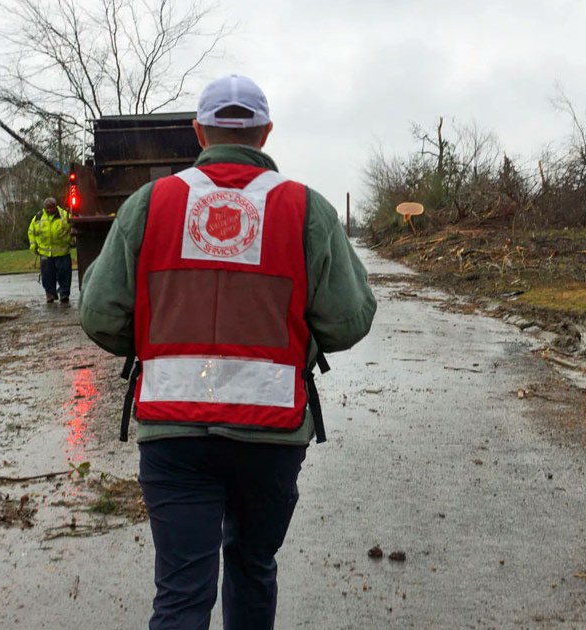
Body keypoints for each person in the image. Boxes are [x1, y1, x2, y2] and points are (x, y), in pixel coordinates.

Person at [79, 74, 375, 630]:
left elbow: (99, 314)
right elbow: (349, 319)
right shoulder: (305, 208)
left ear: (199, 131)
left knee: (182, 592)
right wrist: (299, 340)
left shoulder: (151, 204)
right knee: (253, 564)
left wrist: (154, 339)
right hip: (271, 432)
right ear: (265, 132)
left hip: (173, 431)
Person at [28, 197, 72, 304]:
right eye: (47, 208)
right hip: (45, 253)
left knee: (64, 274)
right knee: (47, 275)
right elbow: (31, 232)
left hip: (62, 252)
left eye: (51, 208)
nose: (49, 210)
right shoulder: (38, 218)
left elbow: (72, 228)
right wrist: (34, 247)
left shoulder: (64, 215)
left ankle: (64, 293)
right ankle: (50, 294)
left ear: (55, 206)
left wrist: (71, 241)